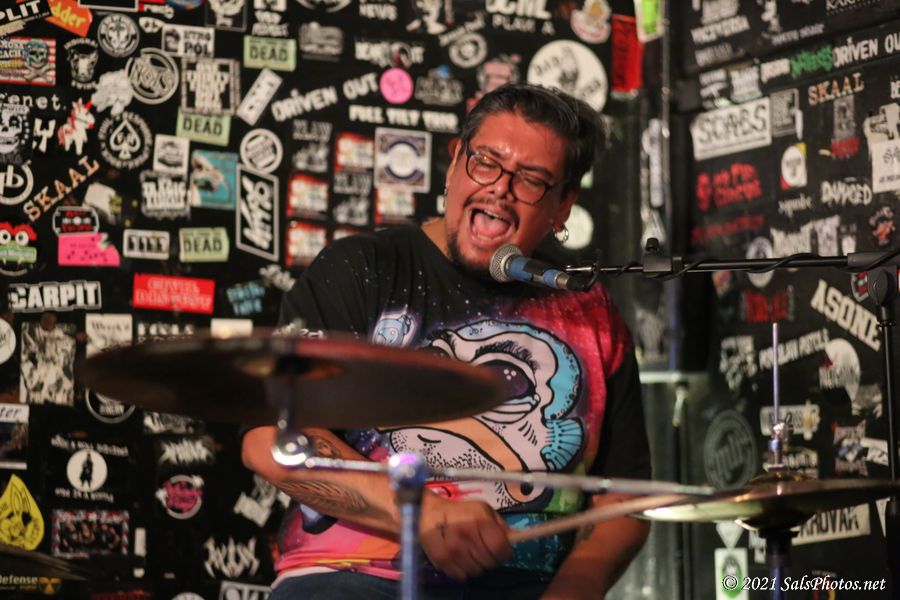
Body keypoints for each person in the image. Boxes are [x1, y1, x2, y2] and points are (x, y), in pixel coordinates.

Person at [242, 83, 651, 599]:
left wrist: (576, 586)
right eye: (486, 162)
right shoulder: (362, 269)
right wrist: (419, 513)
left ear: (563, 205)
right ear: (455, 162)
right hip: (353, 578)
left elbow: (625, 501)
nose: (500, 189)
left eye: (531, 180)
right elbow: (271, 440)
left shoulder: (592, 312)